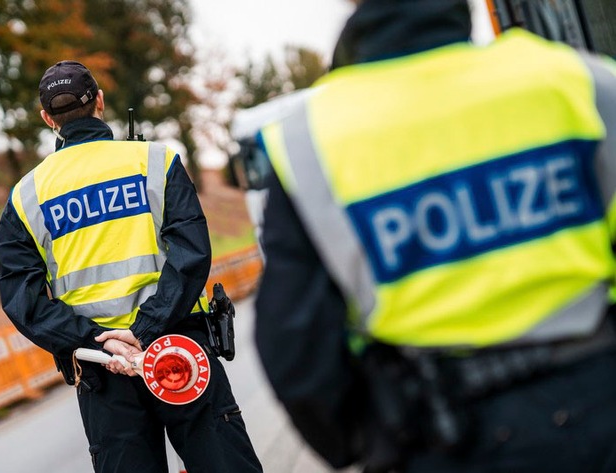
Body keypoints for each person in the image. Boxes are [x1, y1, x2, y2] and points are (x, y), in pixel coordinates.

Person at [253, 1, 616, 472]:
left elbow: (296, 347)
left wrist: (368, 442)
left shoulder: (307, 139)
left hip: (440, 436)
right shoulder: (579, 81)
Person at [0, 60, 263, 473]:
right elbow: (191, 253)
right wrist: (147, 329)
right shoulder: (156, 161)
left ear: (48, 119)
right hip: (179, 351)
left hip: (102, 369)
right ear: (100, 102)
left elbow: (23, 301)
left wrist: (98, 340)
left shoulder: (24, 197)